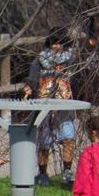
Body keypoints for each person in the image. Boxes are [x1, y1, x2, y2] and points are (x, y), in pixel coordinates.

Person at [24, 32, 76, 184]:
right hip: (44, 106)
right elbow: (32, 79)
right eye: (53, 43)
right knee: (44, 142)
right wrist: (28, 87)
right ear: (49, 44)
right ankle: (42, 174)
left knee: (69, 138)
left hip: (64, 105)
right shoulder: (39, 61)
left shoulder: (71, 60)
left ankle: (67, 171)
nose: (56, 46)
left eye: (59, 43)